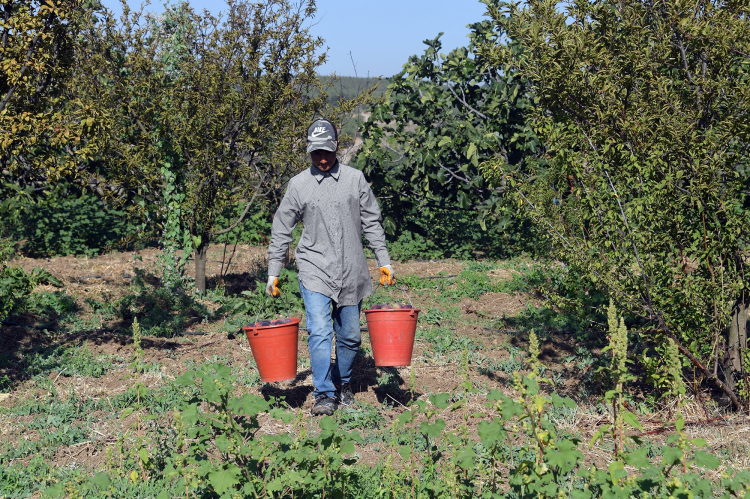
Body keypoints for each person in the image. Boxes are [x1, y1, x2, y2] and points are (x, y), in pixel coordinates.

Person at [266, 118, 395, 416]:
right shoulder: (299, 185)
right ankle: (324, 394)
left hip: (352, 269)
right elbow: (282, 229)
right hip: (315, 268)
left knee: (350, 336)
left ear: (337, 147)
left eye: (327, 151)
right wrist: (273, 271)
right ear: (309, 150)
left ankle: (341, 382)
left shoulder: (355, 179)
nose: (322, 158)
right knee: (320, 331)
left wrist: (383, 260)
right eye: (316, 153)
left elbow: (372, 222)